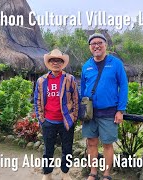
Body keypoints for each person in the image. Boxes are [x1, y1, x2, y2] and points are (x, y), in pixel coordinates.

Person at [81, 33, 128, 180]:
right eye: (93, 43)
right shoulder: (86, 66)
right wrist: (81, 110)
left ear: (105, 45)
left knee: (107, 144)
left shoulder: (116, 63)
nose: (96, 45)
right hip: (90, 113)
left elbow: (124, 86)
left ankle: (107, 174)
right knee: (91, 143)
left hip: (109, 112)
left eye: (99, 42)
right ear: (90, 47)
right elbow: (83, 89)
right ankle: (93, 172)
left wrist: (120, 110)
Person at [34, 49, 79, 180]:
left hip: (66, 121)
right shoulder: (42, 81)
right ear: (49, 63)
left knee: (67, 149)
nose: (56, 63)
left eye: (58, 61)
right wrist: (41, 119)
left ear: (62, 63)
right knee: (48, 150)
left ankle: (65, 173)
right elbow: (37, 100)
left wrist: (74, 117)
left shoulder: (69, 79)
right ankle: (47, 174)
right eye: (53, 60)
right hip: (48, 121)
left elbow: (76, 99)